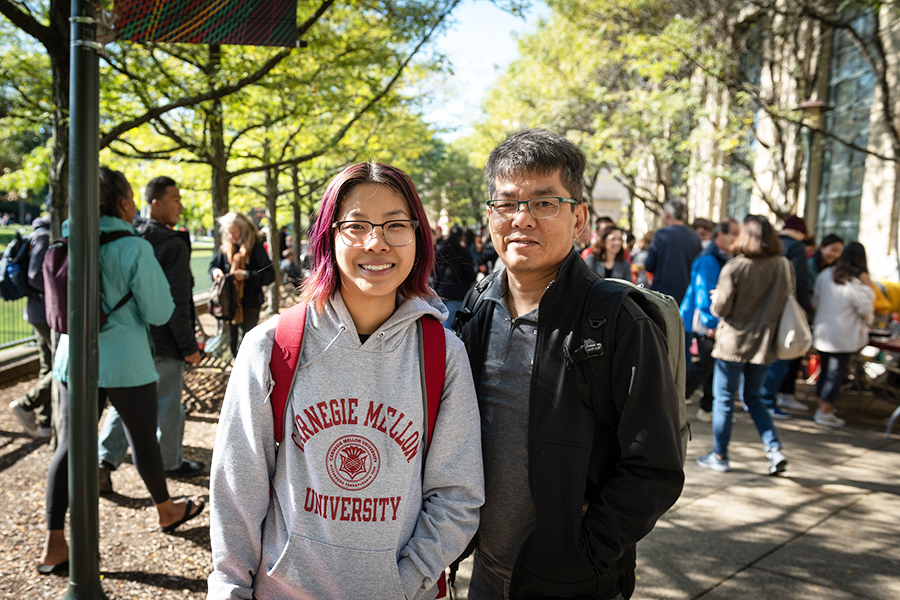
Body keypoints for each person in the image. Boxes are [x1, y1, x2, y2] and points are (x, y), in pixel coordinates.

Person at [207, 162, 484, 600]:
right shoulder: (272, 347)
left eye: (396, 225)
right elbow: (236, 491)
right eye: (356, 225)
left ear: (417, 237)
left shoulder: (443, 356)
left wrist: (403, 582)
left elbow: (457, 497)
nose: (376, 242)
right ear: (327, 235)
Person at [456, 129, 683, 600]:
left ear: (579, 217)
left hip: (574, 582)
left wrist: (583, 557)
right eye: (507, 203)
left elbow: (655, 465)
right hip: (485, 573)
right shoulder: (478, 307)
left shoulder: (618, 321)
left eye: (544, 203)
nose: (522, 219)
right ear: (490, 216)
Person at [39, 167, 204, 575]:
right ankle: (165, 510)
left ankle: (54, 542)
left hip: (71, 359)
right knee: (143, 438)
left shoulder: (70, 238)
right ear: (123, 202)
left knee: (69, 447)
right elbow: (160, 310)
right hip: (125, 361)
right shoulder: (132, 247)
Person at [96, 177, 204, 494]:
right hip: (165, 340)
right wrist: (188, 345)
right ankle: (170, 461)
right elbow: (175, 303)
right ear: (155, 202)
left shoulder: (129, 234)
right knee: (169, 403)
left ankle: (104, 462)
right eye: (174, 199)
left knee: (123, 405)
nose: (180, 206)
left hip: (134, 340)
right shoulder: (171, 244)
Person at [697, 215, 791, 476]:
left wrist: (717, 299)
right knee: (754, 398)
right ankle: (774, 450)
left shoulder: (735, 267)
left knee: (724, 400)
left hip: (733, 343)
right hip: (765, 344)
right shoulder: (783, 265)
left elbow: (721, 308)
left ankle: (720, 455)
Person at [680, 219, 740, 423]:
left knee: (709, 365)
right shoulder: (709, 259)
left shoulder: (723, 257)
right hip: (704, 322)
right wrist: (712, 324)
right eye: (733, 233)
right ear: (720, 235)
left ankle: (705, 407)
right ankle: (678, 397)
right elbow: (704, 295)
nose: (737, 237)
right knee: (706, 364)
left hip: (708, 321)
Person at [810, 242, 875, 427]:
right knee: (835, 374)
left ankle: (822, 407)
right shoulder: (856, 283)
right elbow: (867, 312)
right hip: (843, 336)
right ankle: (825, 411)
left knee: (826, 372)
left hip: (823, 333)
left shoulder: (825, 275)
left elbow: (815, 299)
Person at [760, 215, 812, 417]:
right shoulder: (797, 248)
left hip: (765, 308)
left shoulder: (771, 244)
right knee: (781, 356)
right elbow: (800, 282)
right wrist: (802, 310)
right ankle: (767, 399)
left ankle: (761, 397)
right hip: (784, 311)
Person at [8, 216, 54, 439]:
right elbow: (35, 276)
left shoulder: (41, 234)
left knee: (49, 366)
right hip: (45, 311)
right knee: (64, 366)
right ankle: (27, 404)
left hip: (40, 310)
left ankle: (46, 423)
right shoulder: (45, 236)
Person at [209, 212, 275, 356]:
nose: (231, 237)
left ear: (243, 230)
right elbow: (213, 267)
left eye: (234, 233)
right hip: (230, 304)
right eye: (228, 233)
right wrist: (215, 272)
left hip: (250, 303)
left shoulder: (256, 247)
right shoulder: (226, 248)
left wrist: (246, 275)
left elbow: (269, 275)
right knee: (233, 341)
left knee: (247, 340)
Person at [645, 200, 701, 304]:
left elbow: (649, 265)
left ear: (666, 215)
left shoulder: (661, 235)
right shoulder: (694, 236)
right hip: (687, 295)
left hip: (662, 295)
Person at [433, 224, 477, 328]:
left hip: (441, 292)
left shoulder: (441, 250)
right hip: (458, 293)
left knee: (441, 325)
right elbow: (470, 274)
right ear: (462, 236)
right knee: (451, 327)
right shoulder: (464, 252)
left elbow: (436, 272)